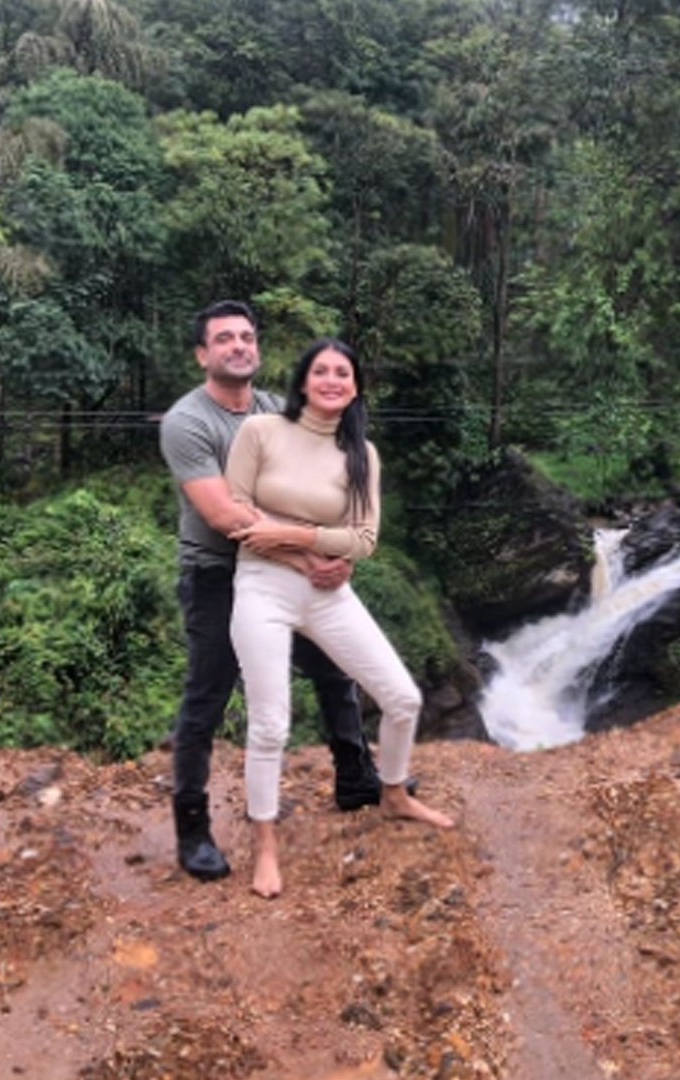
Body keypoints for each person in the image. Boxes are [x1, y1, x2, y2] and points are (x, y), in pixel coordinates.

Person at [160, 301, 409, 883]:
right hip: (218, 574)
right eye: (224, 339)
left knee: (333, 670)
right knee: (208, 693)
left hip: (290, 571)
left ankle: (356, 778)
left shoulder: (277, 410)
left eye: (247, 337)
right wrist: (311, 557)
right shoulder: (188, 422)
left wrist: (338, 560)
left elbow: (321, 490)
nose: (239, 346)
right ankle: (192, 829)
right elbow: (226, 517)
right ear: (203, 354)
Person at [227, 338, 454, 897]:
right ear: (303, 381)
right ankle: (266, 845)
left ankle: (394, 793)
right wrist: (305, 554)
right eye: (321, 371)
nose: (332, 379)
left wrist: (295, 533)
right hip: (263, 586)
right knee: (271, 723)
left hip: (327, 592)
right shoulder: (260, 433)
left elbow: (365, 539)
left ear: (355, 388)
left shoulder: (361, 454)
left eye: (343, 373)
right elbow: (235, 515)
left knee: (403, 699)